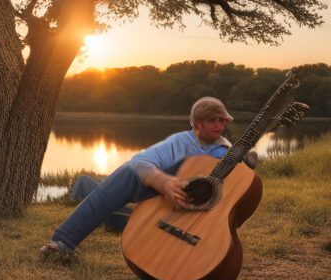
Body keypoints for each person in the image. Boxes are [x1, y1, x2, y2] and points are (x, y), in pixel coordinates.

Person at [40, 97, 248, 256]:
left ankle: (118, 217)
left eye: (222, 120)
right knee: (128, 171)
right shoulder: (181, 141)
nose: (219, 125)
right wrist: (164, 182)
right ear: (197, 124)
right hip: (164, 200)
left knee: (122, 208)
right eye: (213, 120)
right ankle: (63, 242)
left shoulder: (228, 152)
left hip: (198, 219)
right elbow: (140, 161)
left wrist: (246, 165)